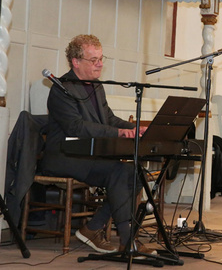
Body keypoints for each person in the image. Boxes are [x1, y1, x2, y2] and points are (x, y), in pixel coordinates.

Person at [40, 34, 153, 255]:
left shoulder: (96, 86)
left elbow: (108, 119)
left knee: (135, 174)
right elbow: (76, 128)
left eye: (101, 58)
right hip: (65, 156)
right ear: (76, 62)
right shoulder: (61, 89)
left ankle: (92, 228)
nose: (100, 64)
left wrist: (134, 129)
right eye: (94, 60)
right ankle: (127, 240)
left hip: (89, 154)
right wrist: (120, 132)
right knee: (119, 171)